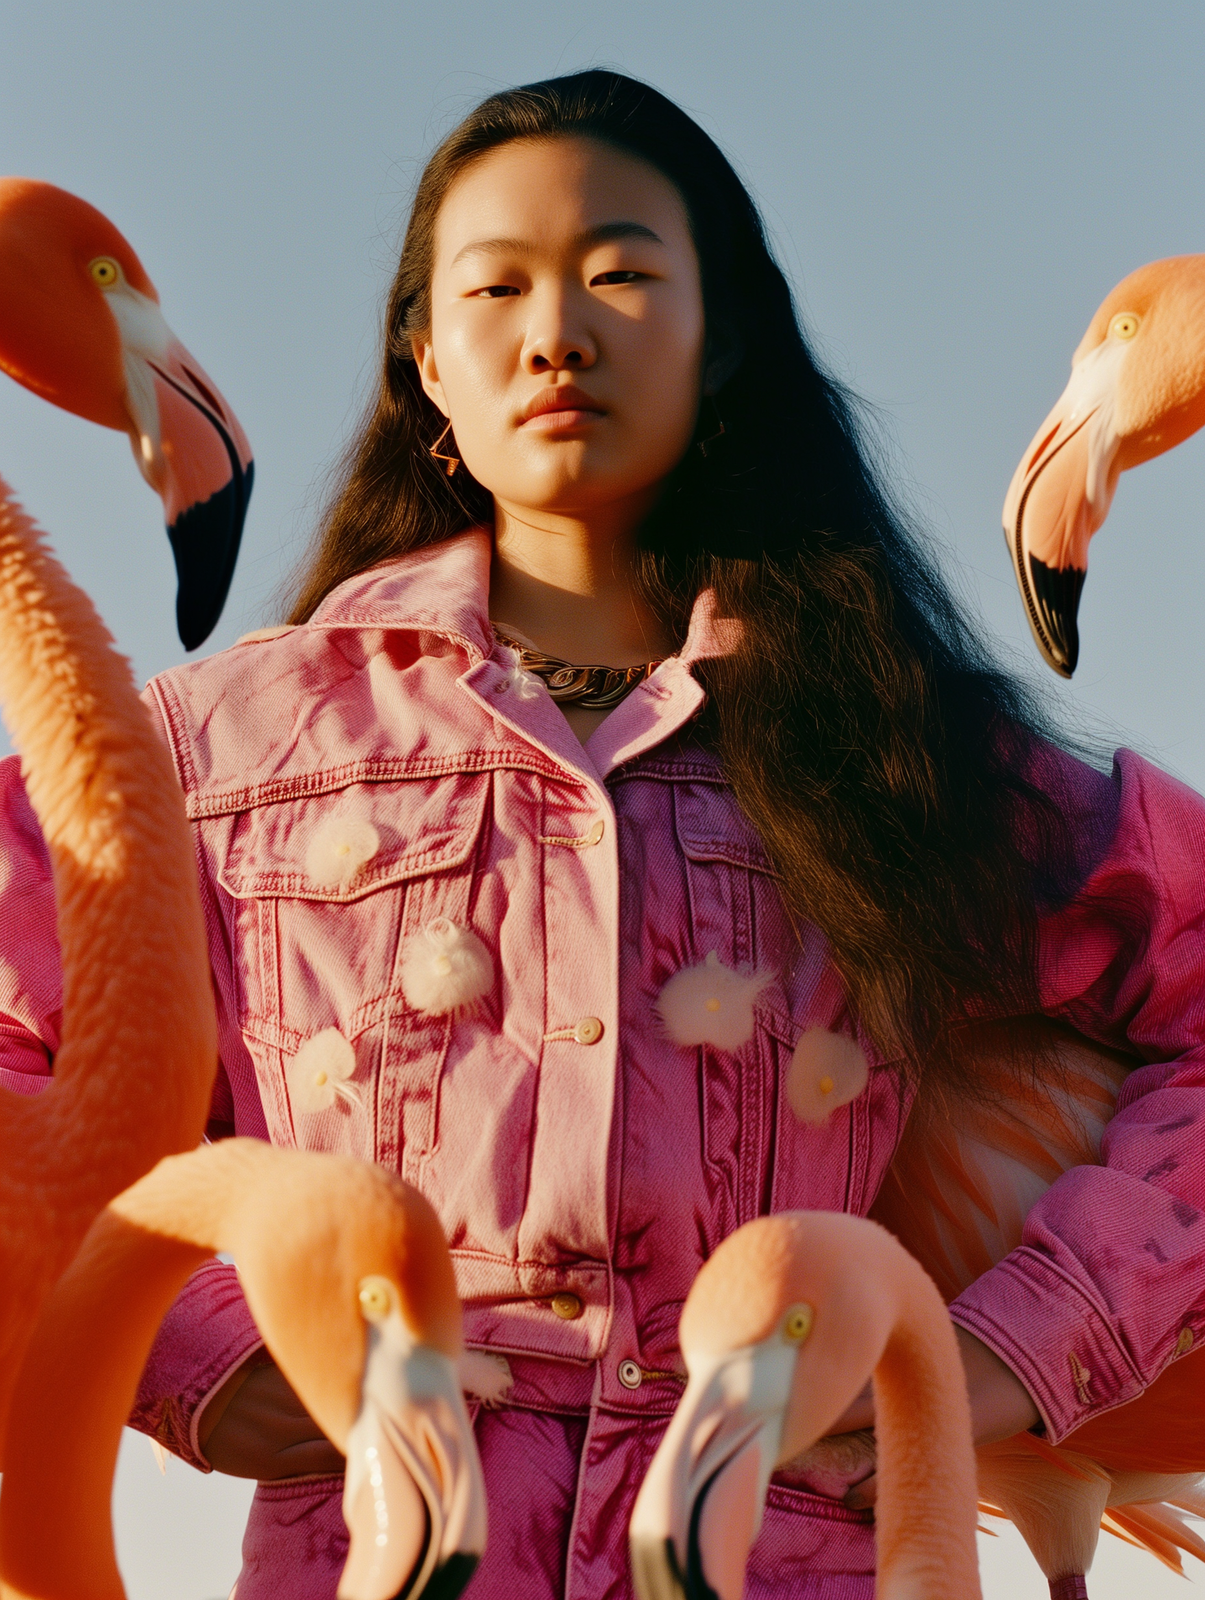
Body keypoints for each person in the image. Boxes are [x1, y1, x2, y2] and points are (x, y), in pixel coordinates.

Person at [2, 69, 1203, 1600]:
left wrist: (1012, 1354)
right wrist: (193, 1354)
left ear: (725, 342)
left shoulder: (908, 752)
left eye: (624, 275)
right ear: (428, 364)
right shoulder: (213, 751)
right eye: (497, 286)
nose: (558, 330)